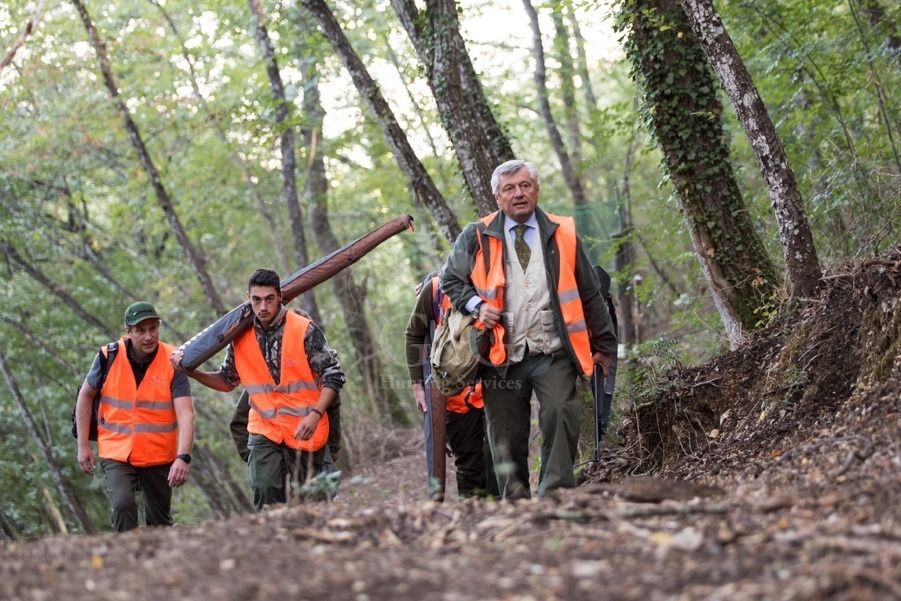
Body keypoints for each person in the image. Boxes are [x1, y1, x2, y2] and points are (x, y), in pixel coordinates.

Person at [441, 159, 617, 499]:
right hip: (499, 356)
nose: (518, 193)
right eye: (509, 188)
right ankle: (516, 505)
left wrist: (604, 346)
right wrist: (477, 306)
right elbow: (451, 279)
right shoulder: (476, 234)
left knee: (561, 413)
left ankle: (554, 497)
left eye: (525, 185)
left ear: (536, 189)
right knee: (504, 438)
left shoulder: (563, 232)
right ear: (497, 197)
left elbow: (589, 291)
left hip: (553, 351)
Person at [172, 269, 345, 510]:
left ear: (280, 296)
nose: (263, 306)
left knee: (318, 500)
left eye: (269, 299)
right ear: (248, 298)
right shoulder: (239, 336)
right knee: (265, 490)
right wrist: (193, 372)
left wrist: (315, 414)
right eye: (256, 299)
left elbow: (333, 376)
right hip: (265, 430)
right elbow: (227, 381)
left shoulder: (304, 330)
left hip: (305, 428)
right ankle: (273, 544)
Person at [75, 301, 194, 532]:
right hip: (116, 451)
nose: (149, 336)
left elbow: (186, 414)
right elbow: (85, 396)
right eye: (140, 331)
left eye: (153, 328)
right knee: (122, 504)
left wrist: (183, 457)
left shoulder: (174, 360)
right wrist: (82, 446)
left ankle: (160, 565)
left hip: (158, 454)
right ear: (128, 332)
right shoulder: (108, 356)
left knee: (160, 523)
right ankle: (126, 560)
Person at [405, 272, 498, 499]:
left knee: (498, 455)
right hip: (454, 393)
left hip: (495, 386)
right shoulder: (436, 289)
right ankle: (472, 515)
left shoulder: (496, 277)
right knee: (468, 461)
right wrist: (417, 385)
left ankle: (502, 511)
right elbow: (414, 335)